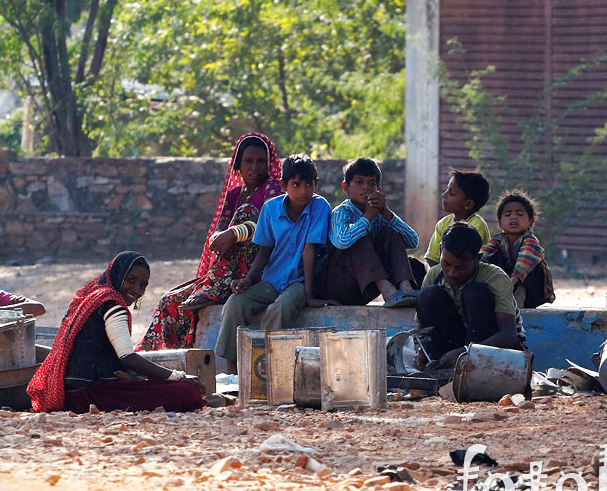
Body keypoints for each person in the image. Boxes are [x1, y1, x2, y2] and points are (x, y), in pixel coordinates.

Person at [137, 133, 283, 351]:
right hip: (225, 271)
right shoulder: (235, 193)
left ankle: (215, 286)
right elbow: (220, 226)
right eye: (249, 161)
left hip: (257, 269)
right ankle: (156, 357)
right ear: (237, 165)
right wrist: (219, 236)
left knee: (246, 212)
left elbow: (266, 226)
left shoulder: (272, 190)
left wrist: (235, 233)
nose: (255, 167)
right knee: (169, 301)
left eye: (261, 161)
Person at [27, 252, 206, 413]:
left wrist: (131, 376)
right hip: (89, 395)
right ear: (118, 275)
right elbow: (126, 356)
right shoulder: (112, 304)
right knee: (186, 391)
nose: (137, 291)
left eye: (143, 285)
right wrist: (178, 376)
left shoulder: (94, 297)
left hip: (70, 392)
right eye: (131, 280)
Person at [216, 154, 334, 374]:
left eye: (309, 185)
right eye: (296, 185)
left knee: (281, 307)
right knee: (235, 303)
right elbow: (265, 250)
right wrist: (249, 280)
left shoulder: (319, 207)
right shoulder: (271, 209)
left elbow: (310, 251)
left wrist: (309, 295)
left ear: (316, 184)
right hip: (272, 279)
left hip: (300, 282)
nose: (303, 191)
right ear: (283, 185)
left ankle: (263, 368)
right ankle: (232, 374)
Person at [415, 222, 526, 370]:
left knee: (475, 292)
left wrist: (466, 352)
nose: (452, 273)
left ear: (478, 258)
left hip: (496, 353)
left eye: (461, 267)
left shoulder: (495, 278)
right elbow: (422, 331)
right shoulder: (434, 275)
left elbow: (508, 336)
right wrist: (422, 354)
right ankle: (440, 368)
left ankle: (475, 371)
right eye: (446, 264)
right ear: (440, 250)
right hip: (457, 347)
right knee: (428, 295)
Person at [315, 157, 423, 308]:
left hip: (362, 288)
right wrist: (367, 217)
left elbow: (413, 241)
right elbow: (342, 241)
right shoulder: (341, 212)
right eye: (359, 182)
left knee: (390, 233)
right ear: (346, 187)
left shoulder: (379, 214)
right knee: (359, 236)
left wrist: (387, 213)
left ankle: (406, 288)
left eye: (371, 183)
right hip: (337, 285)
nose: (365, 188)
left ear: (378, 189)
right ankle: (388, 292)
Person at [480, 191, 555, 309]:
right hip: (502, 290)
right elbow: (482, 258)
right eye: (507, 214)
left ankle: (521, 293)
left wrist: (510, 285)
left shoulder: (531, 241)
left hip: (531, 293)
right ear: (499, 222)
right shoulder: (496, 242)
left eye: (519, 214)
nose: (513, 217)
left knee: (533, 262)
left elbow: (525, 262)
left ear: (530, 222)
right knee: (493, 257)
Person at [424, 170, 492, 266]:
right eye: (447, 190)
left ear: (468, 204)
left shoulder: (477, 225)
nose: (444, 195)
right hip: (444, 273)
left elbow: (464, 261)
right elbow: (432, 258)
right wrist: (432, 275)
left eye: (451, 193)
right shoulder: (443, 223)